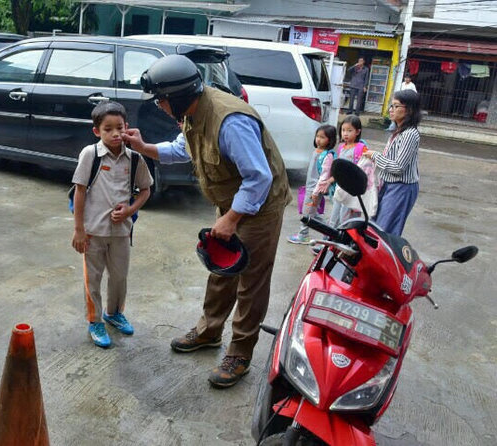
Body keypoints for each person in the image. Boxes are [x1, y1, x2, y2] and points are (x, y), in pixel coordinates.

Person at [121, 55, 291, 388]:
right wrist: (145, 147)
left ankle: (239, 353)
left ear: (180, 96)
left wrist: (231, 218)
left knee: (250, 282)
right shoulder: (192, 112)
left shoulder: (230, 121)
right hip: (232, 202)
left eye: (161, 99)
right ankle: (209, 331)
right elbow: (183, 149)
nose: (158, 105)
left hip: (261, 205)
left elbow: (259, 177)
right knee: (221, 270)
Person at [71, 101, 153, 348]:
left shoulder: (135, 158)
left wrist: (130, 210)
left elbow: (146, 190)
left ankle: (114, 313)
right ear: (97, 131)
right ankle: (95, 321)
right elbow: (79, 191)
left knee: (119, 277)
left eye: (119, 127)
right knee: (93, 280)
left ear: (127, 127)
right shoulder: (90, 155)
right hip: (93, 233)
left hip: (121, 232)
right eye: (108, 129)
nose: (115, 133)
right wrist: (79, 230)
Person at [363, 90, 422, 235]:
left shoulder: (409, 134)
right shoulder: (399, 131)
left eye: (396, 106)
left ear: (409, 110)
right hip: (389, 185)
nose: (391, 110)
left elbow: (398, 167)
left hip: (401, 187)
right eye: (391, 106)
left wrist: (375, 156)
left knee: (385, 230)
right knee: (376, 225)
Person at [288, 125, 337, 244]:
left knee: (308, 212)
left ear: (330, 140)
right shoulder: (316, 151)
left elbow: (324, 176)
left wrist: (315, 192)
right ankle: (330, 231)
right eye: (317, 136)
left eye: (322, 137)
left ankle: (304, 235)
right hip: (310, 188)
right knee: (311, 213)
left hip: (315, 190)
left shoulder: (327, 155)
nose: (318, 139)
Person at [328, 115, 369, 228]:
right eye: (343, 130)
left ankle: (344, 240)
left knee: (346, 217)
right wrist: (330, 180)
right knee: (334, 214)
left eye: (349, 130)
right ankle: (330, 238)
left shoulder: (361, 148)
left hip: (351, 191)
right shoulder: (341, 147)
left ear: (357, 132)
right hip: (340, 188)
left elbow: (366, 167)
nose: (345, 133)